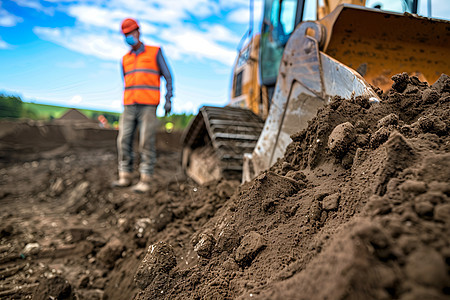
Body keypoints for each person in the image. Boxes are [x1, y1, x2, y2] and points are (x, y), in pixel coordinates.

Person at [112, 18, 173, 193]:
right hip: (129, 105)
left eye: (131, 33)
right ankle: (125, 175)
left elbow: (168, 76)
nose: (129, 37)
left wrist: (169, 99)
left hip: (148, 105)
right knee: (123, 140)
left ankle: (146, 179)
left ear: (138, 32)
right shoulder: (125, 59)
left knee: (146, 141)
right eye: (126, 35)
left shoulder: (155, 52)